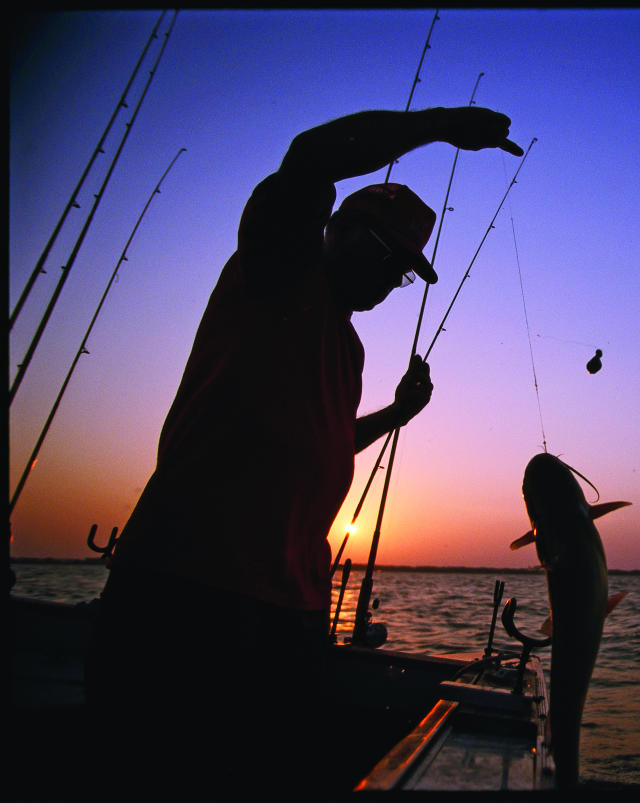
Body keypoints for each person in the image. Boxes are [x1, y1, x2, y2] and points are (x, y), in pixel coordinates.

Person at [84, 106, 523, 793]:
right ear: (332, 229)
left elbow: (329, 440)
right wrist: (442, 124)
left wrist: (395, 414)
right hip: (183, 594)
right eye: (381, 253)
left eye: (403, 272)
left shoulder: (347, 348)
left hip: (287, 614)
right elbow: (309, 154)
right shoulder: (274, 266)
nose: (388, 279)